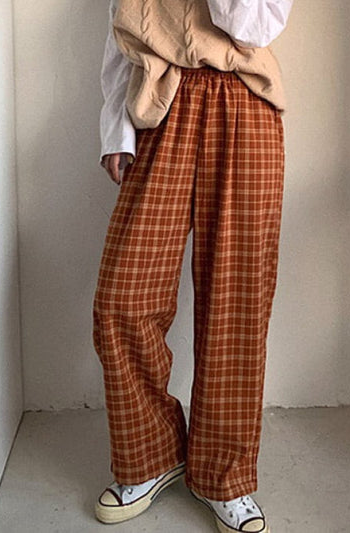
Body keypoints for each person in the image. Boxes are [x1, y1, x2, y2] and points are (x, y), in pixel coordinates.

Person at [92, 1, 293, 531]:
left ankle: (224, 475)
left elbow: (254, 26)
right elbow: (122, 34)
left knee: (236, 302)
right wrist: (116, 131)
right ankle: (151, 455)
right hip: (160, 109)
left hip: (246, 109)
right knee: (122, 299)